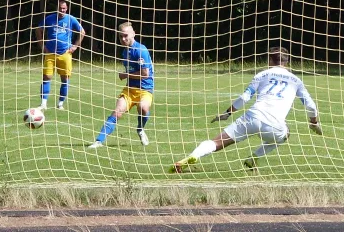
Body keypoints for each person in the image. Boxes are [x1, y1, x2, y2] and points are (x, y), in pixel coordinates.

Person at [170, 47, 323, 173]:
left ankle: (193, 156)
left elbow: (245, 97)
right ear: (287, 61)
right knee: (286, 133)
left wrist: (227, 113)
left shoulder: (262, 74)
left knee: (217, 142)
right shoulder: (296, 81)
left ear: (270, 60)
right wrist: (314, 123)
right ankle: (254, 157)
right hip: (274, 126)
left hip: (251, 117)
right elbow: (311, 105)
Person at [88, 22, 154, 148]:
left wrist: (125, 75)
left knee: (143, 108)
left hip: (145, 89)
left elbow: (145, 74)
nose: (123, 39)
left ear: (133, 34)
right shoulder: (125, 52)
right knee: (117, 112)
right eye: (120, 37)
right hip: (130, 89)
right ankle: (98, 141)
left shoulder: (140, 50)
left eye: (125, 36)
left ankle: (140, 129)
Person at [35, 0, 85, 111]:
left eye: (64, 8)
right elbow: (38, 30)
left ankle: (60, 104)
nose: (62, 10)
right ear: (57, 9)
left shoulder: (71, 19)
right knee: (46, 77)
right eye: (60, 8)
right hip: (50, 53)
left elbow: (82, 32)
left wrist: (75, 46)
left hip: (65, 53)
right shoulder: (49, 19)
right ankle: (43, 104)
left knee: (65, 79)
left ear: (66, 9)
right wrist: (42, 46)